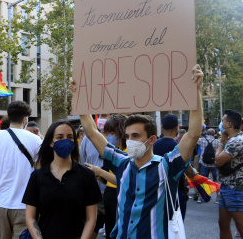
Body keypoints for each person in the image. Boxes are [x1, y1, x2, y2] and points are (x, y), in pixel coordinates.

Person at [70, 64, 204, 238]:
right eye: (128, 136)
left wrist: (197, 91)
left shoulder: (167, 165)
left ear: (152, 139)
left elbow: (193, 134)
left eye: (136, 135)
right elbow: (92, 132)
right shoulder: (122, 162)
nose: (130, 141)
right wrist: (79, 96)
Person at [23, 120, 101, 239]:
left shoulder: (86, 175)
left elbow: (91, 218)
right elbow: (30, 217)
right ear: (50, 142)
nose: (65, 141)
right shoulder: (37, 176)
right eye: (59, 137)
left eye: (70, 137)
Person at [0, 101, 42, 239]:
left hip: (0, 204)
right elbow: (40, 175)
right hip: (25, 205)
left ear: (9, 116)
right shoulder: (36, 140)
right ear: (25, 118)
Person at [84, 114, 127, 238]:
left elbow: (125, 180)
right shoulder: (115, 151)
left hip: (120, 197)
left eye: (113, 133)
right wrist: (98, 175)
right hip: (110, 196)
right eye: (108, 133)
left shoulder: (128, 153)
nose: (110, 137)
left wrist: (101, 172)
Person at [214, 109, 243, 238]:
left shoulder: (236, 141)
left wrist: (221, 143)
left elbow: (218, 161)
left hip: (235, 188)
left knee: (242, 227)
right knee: (223, 224)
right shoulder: (234, 139)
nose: (221, 123)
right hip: (227, 187)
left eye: (223, 121)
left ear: (229, 124)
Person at [153, 113, 197, 220]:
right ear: (177, 127)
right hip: (176, 192)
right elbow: (189, 172)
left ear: (162, 127)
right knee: (176, 228)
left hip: (155, 192)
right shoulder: (178, 148)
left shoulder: (152, 145)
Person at [197, 128, 221, 203]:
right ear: (214, 134)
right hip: (214, 163)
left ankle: (200, 197)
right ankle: (217, 198)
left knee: (202, 181)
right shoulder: (217, 141)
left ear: (206, 133)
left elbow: (195, 140)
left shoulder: (202, 140)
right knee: (216, 181)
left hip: (204, 163)